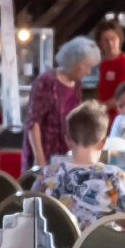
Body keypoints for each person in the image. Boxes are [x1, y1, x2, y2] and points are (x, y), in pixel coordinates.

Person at [31, 101, 125, 228]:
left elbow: (31, 213)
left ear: (68, 141)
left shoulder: (47, 173)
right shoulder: (113, 176)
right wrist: (114, 220)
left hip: (57, 247)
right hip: (99, 247)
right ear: (102, 143)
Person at [25, 36, 98, 168]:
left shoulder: (76, 83)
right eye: (86, 66)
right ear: (74, 62)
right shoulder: (46, 81)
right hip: (44, 150)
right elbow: (33, 122)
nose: (88, 72)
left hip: (65, 154)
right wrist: (39, 156)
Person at [93, 19, 125, 103]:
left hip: (120, 114)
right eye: (106, 40)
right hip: (104, 113)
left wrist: (102, 107)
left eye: (113, 39)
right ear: (100, 43)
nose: (110, 44)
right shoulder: (103, 63)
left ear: (119, 39)